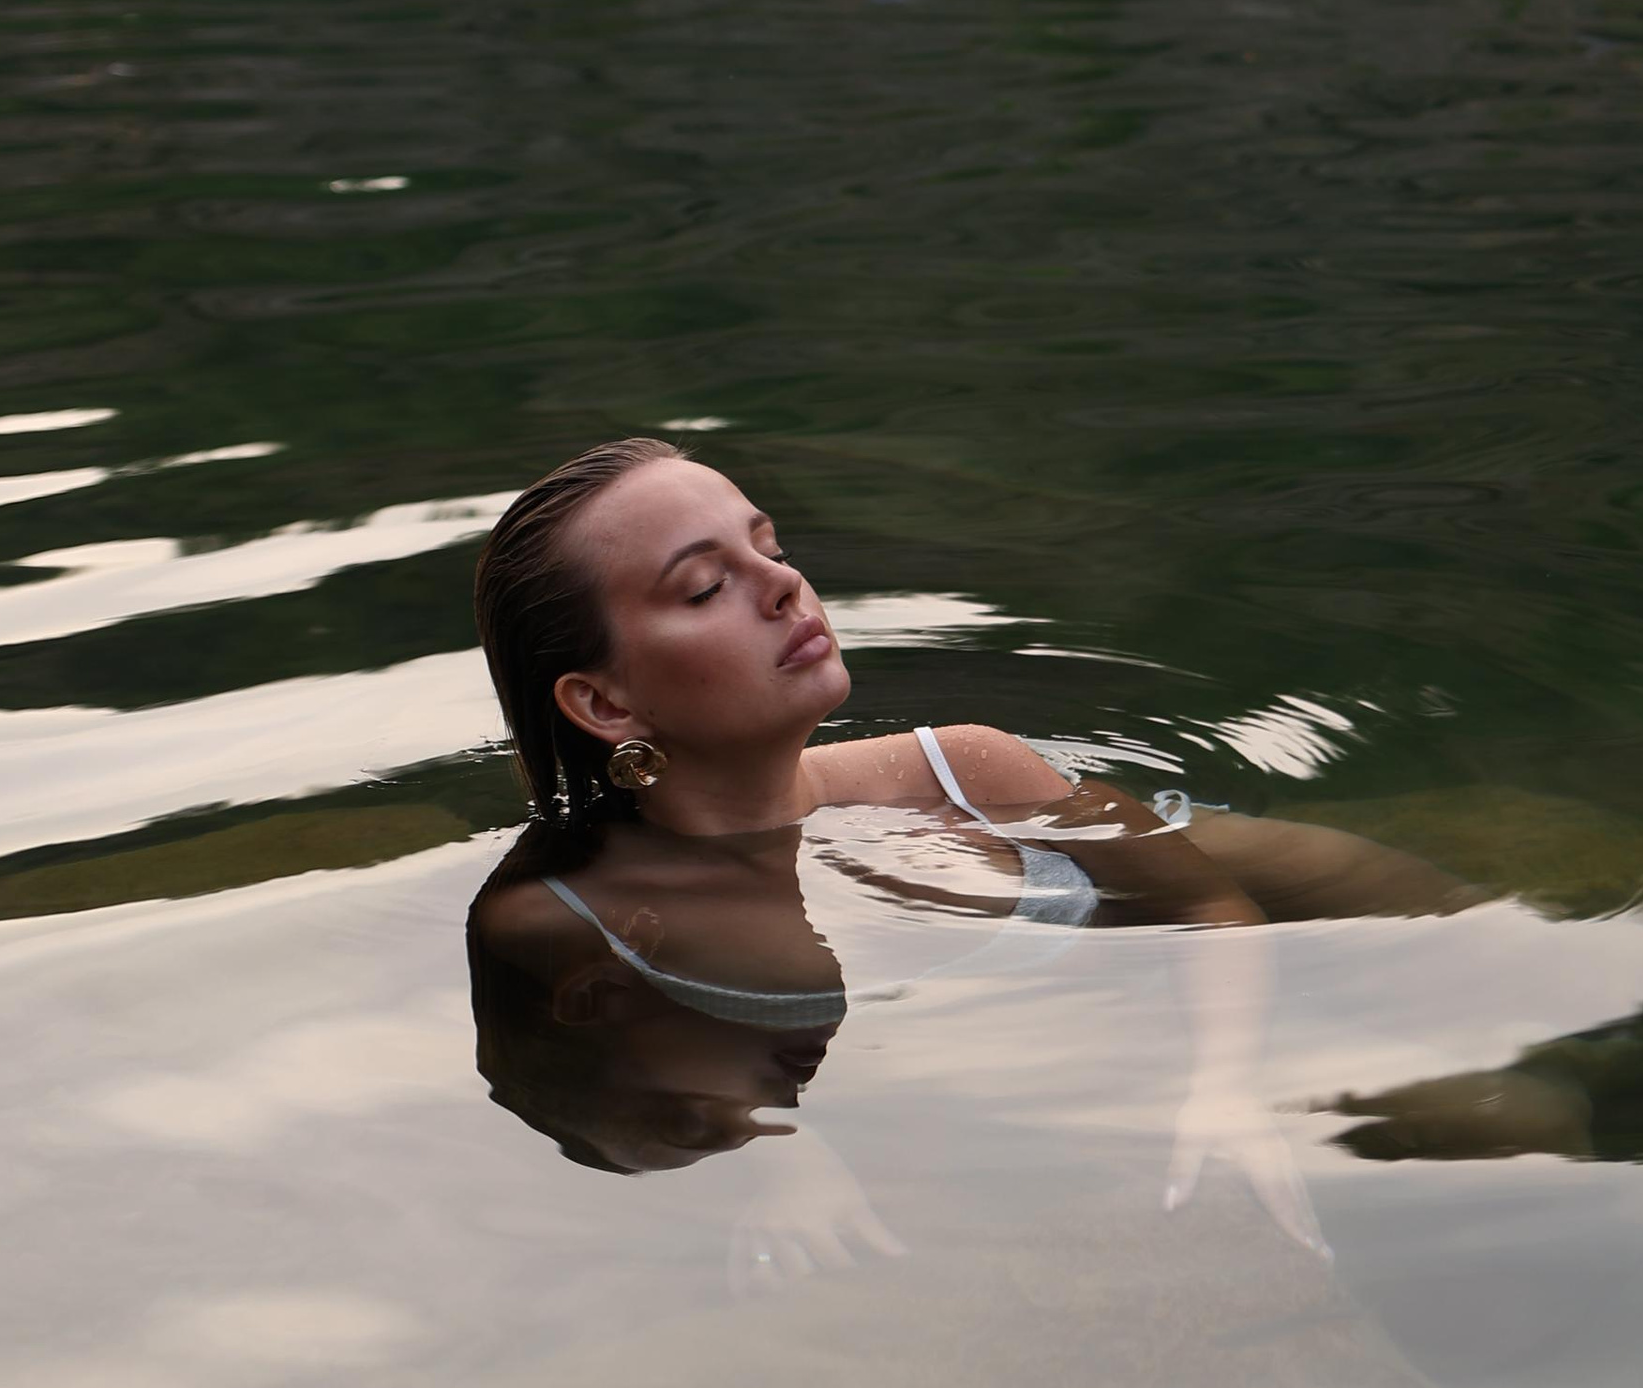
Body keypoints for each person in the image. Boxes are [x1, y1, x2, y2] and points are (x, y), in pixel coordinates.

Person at [468, 437, 1469, 1251]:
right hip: (1072, 1050)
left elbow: (1204, 904)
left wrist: (1225, 1086)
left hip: (1118, 916)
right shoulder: (561, 923)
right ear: (603, 702)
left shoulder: (968, 770)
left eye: (769, 546)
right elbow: (601, 1101)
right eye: (702, 588)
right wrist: (778, 1161)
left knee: (1430, 918)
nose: (782, 586)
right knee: (1510, 1121)